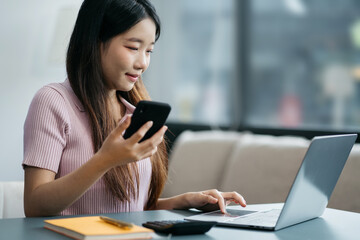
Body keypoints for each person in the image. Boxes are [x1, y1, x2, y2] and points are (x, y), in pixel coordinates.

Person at [23, 0, 246, 217]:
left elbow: (130, 211)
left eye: (149, 51)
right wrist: (105, 160)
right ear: (95, 41)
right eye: (133, 47)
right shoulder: (53, 102)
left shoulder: (132, 112)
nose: (143, 63)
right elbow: (34, 205)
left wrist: (184, 201)